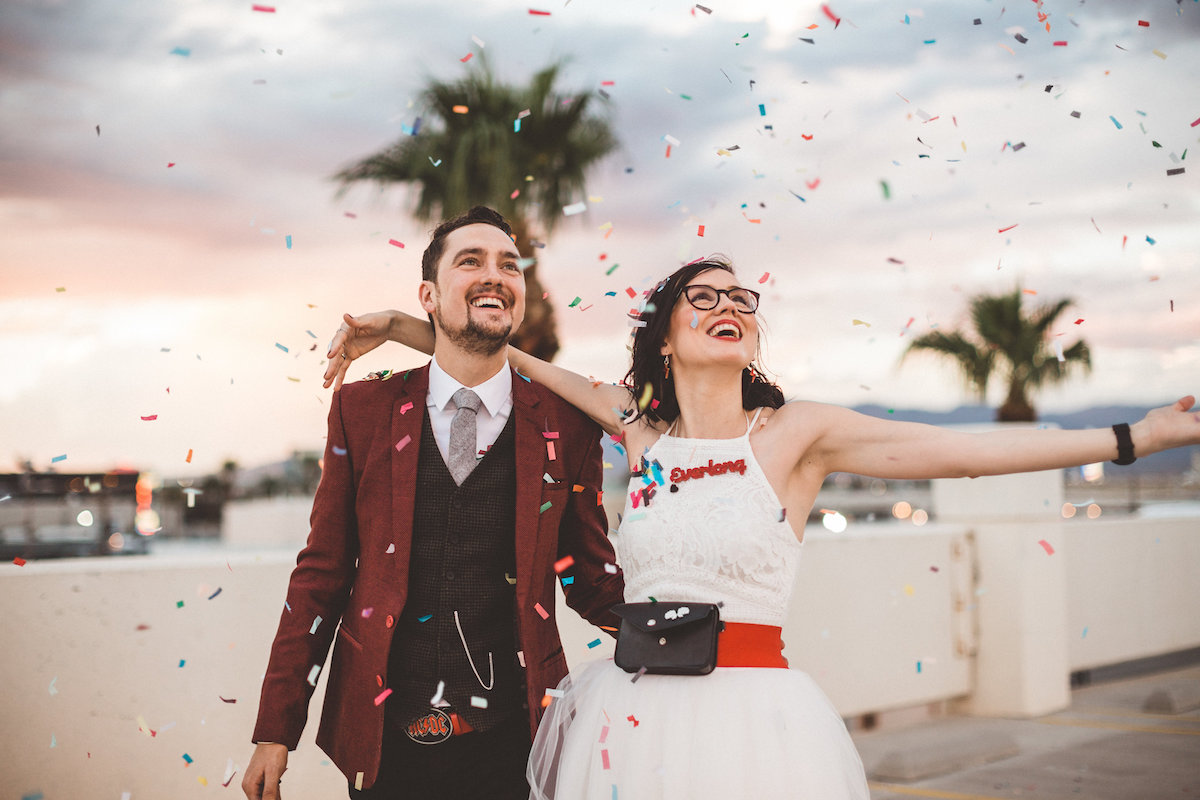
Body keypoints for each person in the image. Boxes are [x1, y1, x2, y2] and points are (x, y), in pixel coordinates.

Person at [324, 256, 1200, 798]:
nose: (727, 304)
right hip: (624, 719)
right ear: (664, 335)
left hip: (753, 725)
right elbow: (513, 359)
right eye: (702, 296)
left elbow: (956, 450)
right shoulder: (639, 430)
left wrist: (1134, 438)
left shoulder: (794, 435)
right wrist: (410, 325)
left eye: (740, 297)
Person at [243, 206, 625, 800]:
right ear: (429, 292)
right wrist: (275, 730)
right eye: (470, 261)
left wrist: (682, 640)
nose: (495, 275)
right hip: (384, 741)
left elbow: (590, 578)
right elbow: (321, 573)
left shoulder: (567, 427)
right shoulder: (362, 411)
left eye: (509, 266)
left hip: (517, 739)